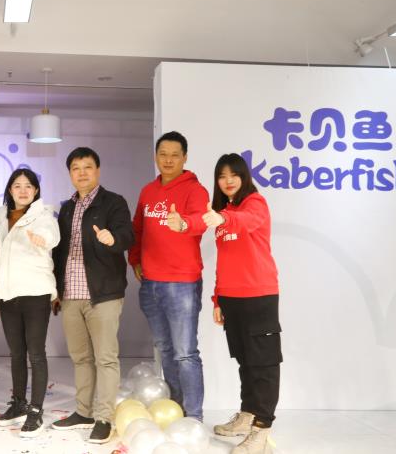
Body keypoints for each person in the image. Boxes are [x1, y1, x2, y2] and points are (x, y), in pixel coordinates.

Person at [50, 147, 134, 444]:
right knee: (80, 358)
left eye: (87, 167)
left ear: (97, 170)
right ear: (70, 174)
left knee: (105, 359)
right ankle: (83, 412)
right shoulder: (67, 208)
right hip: (70, 296)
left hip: (103, 295)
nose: (82, 172)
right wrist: (56, 290)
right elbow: (60, 251)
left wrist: (113, 238)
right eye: (76, 168)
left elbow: (128, 236)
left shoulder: (114, 202)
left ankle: (104, 418)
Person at [202, 153, 281, 454]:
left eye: (233, 174)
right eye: (222, 176)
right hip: (232, 299)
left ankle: (262, 428)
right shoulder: (226, 212)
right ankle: (247, 415)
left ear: (244, 177)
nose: (228, 181)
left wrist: (223, 217)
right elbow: (225, 260)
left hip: (259, 295)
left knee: (263, 365)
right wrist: (217, 298)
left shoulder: (255, 204)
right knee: (246, 362)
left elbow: (247, 221)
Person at [128, 131, 209, 421]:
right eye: (163, 154)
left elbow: (202, 221)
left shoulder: (195, 190)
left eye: (175, 155)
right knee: (165, 349)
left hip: (182, 284)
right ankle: (175, 409)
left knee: (185, 353)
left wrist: (183, 223)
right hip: (151, 283)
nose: (168, 160)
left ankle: (194, 417)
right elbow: (137, 229)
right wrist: (135, 259)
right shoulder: (148, 191)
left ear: (185, 158)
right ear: (156, 156)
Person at [0, 168, 60, 438]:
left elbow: (52, 236)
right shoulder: (0, 216)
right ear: (10, 190)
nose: (22, 190)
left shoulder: (43, 216)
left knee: (36, 353)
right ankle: (18, 404)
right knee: (16, 353)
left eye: (28, 186)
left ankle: (36, 410)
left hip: (35, 292)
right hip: (9, 293)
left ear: (36, 190)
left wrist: (42, 240)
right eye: (17, 185)